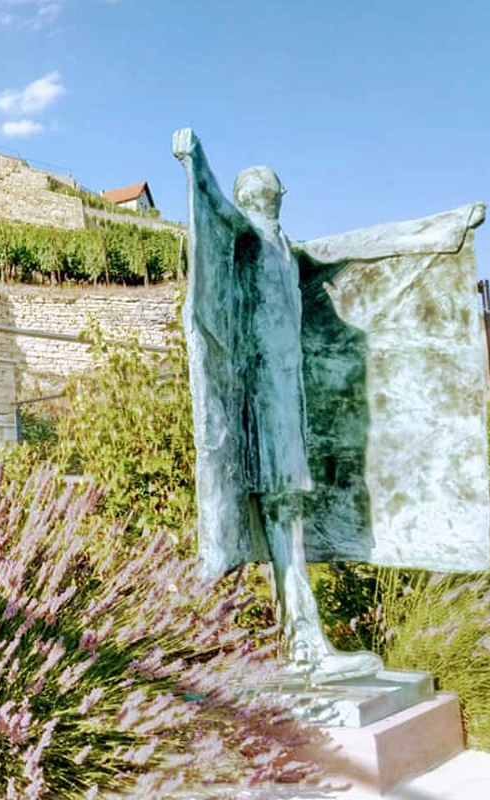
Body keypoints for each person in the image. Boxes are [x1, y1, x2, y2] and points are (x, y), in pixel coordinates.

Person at [173, 128, 383, 683]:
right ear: (255, 195)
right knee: (283, 504)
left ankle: (302, 637)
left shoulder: (289, 249)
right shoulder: (248, 235)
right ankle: (304, 639)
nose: (269, 188)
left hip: (290, 391)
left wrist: (440, 231)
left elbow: (356, 248)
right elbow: (212, 204)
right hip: (264, 391)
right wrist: (195, 162)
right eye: (261, 184)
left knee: (288, 506)